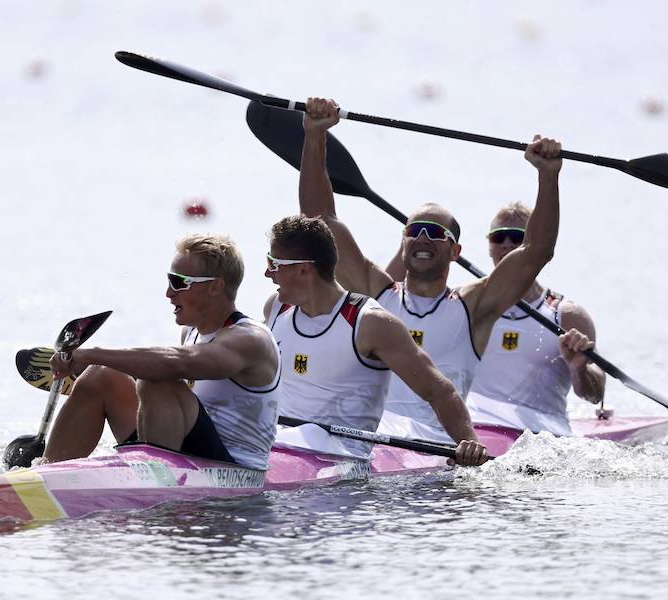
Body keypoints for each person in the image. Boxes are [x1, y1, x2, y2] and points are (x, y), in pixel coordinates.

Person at [299, 97, 563, 445]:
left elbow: (536, 251)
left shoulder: (474, 307)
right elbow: (320, 220)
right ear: (403, 241)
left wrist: (548, 176)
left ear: (455, 252)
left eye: (436, 233)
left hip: (434, 450)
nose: (423, 237)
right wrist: (315, 135)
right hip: (373, 442)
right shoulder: (375, 292)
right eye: (415, 230)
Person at [263, 215, 487, 466]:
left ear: (303, 269)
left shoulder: (371, 323)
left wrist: (469, 444)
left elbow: (437, 390)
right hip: (279, 443)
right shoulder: (276, 308)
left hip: (340, 460)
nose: (267, 273)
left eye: (273, 263)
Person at [44, 234, 281, 470]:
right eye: (169, 280)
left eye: (179, 282)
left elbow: (177, 364)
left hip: (234, 469)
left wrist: (90, 353)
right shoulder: (191, 331)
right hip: (189, 449)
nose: (168, 293)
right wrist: (91, 362)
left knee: (158, 382)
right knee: (102, 374)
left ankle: (155, 486)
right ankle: (45, 474)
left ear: (215, 287)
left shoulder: (250, 340)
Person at [412, 202, 607, 435]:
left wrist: (580, 369)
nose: (507, 245)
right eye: (499, 238)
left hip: (540, 436)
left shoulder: (567, 316)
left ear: (534, 244)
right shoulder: (462, 306)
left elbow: (595, 395)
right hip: (470, 430)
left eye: (517, 237)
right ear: (489, 246)